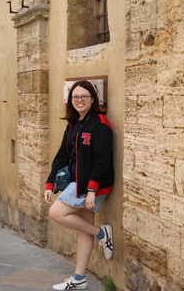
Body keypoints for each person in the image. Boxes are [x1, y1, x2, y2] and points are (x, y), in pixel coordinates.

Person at [44, 80, 114, 290]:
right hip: (75, 182)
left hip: (92, 184)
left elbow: (102, 160)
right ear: (71, 100)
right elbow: (62, 155)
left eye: (84, 96)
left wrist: (91, 190)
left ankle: (102, 233)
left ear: (93, 98)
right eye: (75, 97)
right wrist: (50, 183)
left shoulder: (100, 123)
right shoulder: (73, 124)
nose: (79, 100)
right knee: (84, 231)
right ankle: (79, 279)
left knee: (56, 212)